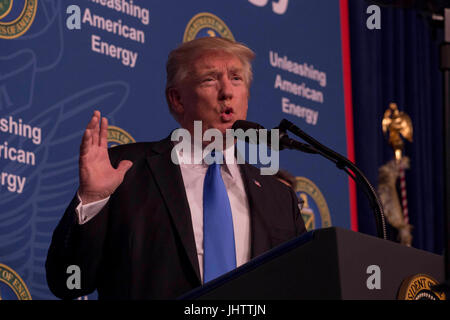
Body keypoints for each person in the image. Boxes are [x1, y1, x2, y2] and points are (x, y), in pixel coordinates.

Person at [46, 37, 306, 300]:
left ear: (246, 97)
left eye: (236, 79)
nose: (227, 91)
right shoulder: (126, 171)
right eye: (210, 79)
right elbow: (68, 282)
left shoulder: (279, 198)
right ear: (177, 99)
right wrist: (92, 202)